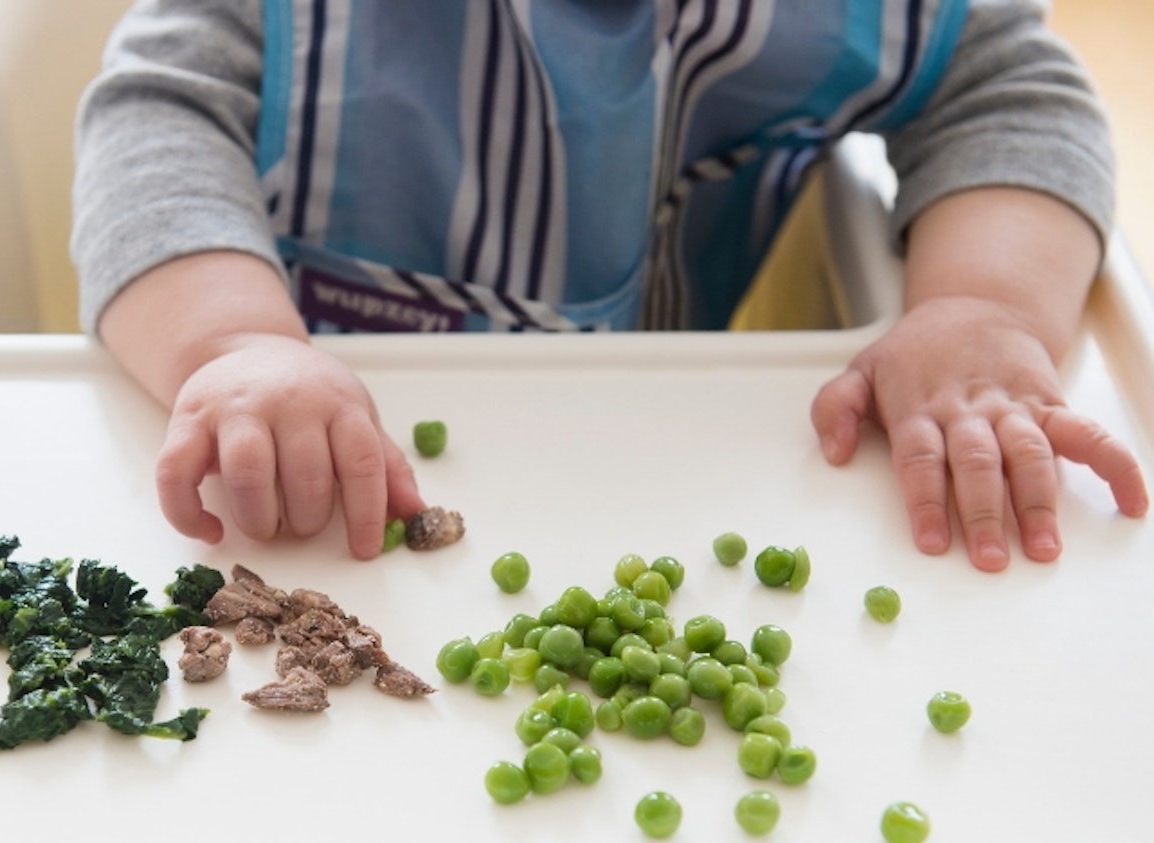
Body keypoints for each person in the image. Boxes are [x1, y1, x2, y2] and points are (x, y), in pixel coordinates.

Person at [71, 0, 1149, 569]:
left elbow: (1009, 93)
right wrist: (229, 342)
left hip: (652, 455)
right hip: (312, 467)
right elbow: (155, 121)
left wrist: (983, 308)